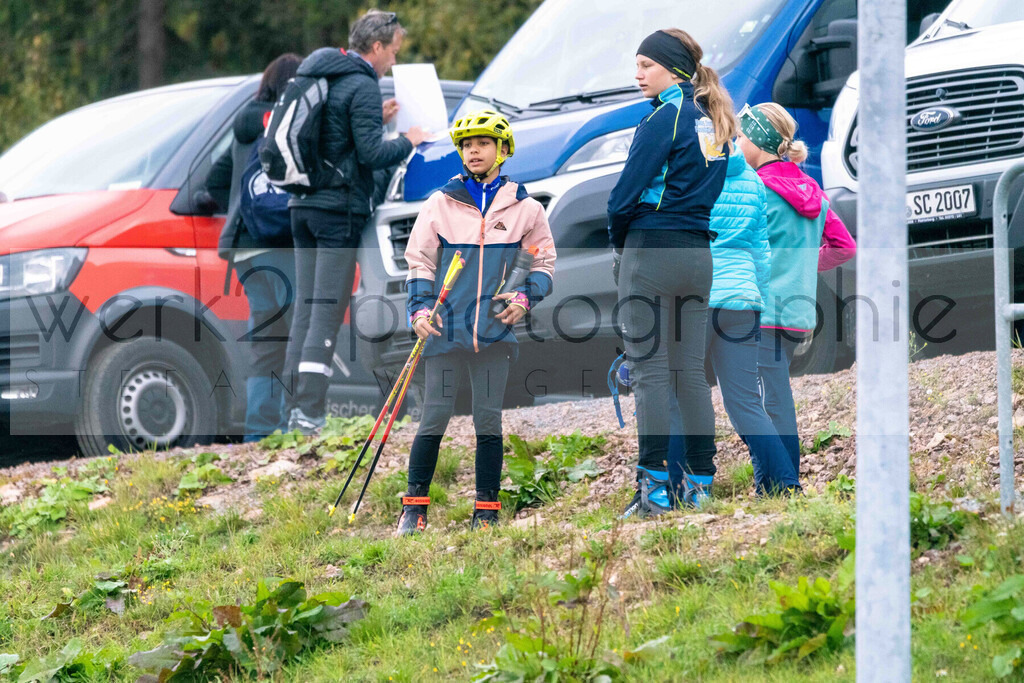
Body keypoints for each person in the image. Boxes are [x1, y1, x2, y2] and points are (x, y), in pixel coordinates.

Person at [398, 109, 556, 535]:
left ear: (503, 150)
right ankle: (414, 509)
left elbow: (544, 263)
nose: (473, 151)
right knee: (434, 416)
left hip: (493, 332)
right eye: (467, 145)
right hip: (443, 329)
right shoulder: (440, 203)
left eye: (483, 143)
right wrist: (417, 310)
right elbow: (419, 263)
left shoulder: (525, 207)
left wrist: (525, 298)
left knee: (489, 420)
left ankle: (486, 510)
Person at [607, 28, 736, 518]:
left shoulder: (665, 115)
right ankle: (700, 486)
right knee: (690, 374)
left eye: (645, 65)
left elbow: (622, 196)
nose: (637, 75)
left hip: (651, 251)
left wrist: (620, 241)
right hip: (698, 255)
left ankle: (654, 491)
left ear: (672, 69)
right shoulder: (712, 117)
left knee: (650, 372)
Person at [284, 9, 427, 434]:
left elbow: (335, 137)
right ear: (378, 47)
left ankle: (293, 412)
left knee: (304, 311)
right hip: (336, 213)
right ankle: (310, 414)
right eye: (394, 53)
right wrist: (406, 139)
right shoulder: (362, 83)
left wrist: (375, 119)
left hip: (303, 206)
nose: (394, 63)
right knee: (325, 312)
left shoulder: (324, 72)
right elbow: (371, 155)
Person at [736, 102, 856, 481]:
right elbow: (843, 246)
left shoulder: (755, 188)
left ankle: (781, 481)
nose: (736, 143)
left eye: (740, 136)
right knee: (774, 390)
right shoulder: (811, 188)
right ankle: (779, 480)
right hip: (798, 311)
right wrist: (803, 265)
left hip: (761, 307)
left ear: (757, 140)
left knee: (763, 398)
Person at [207, 53, 302, 442]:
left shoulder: (244, 126)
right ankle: (298, 427)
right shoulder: (293, 121)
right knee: (301, 332)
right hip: (281, 243)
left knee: (267, 343)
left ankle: (259, 433)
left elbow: (215, 181)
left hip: (244, 249)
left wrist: (241, 207)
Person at [705, 149, 801, 495]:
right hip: (744, 300)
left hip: (699, 295)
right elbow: (762, 251)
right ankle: (789, 485)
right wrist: (756, 297)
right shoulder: (751, 180)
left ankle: (687, 486)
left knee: (683, 391)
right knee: (746, 403)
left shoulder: (690, 173)